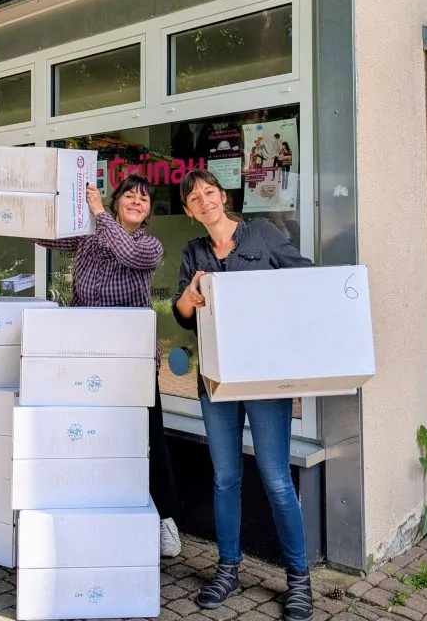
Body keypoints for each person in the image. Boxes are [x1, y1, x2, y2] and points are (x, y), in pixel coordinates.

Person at [171, 168, 314, 621]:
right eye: (194, 198)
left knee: (275, 477)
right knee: (225, 478)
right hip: (214, 382)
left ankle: (299, 578)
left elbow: (303, 279)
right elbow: (181, 314)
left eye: (209, 192)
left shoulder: (262, 234)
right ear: (190, 211)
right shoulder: (193, 252)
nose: (204, 201)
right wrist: (189, 299)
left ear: (222, 195)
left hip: (263, 379)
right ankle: (228, 568)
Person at [33, 173, 182, 557]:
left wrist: (99, 213)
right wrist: (25, 208)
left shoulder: (149, 246)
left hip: (131, 359)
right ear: (118, 201)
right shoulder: (88, 237)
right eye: (129, 195)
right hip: (85, 354)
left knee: (148, 437)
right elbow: (47, 236)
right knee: (91, 434)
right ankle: (92, 510)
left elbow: (126, 253)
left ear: (148, 212)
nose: (136, 201)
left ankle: (165, 519)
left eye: (144, 199)